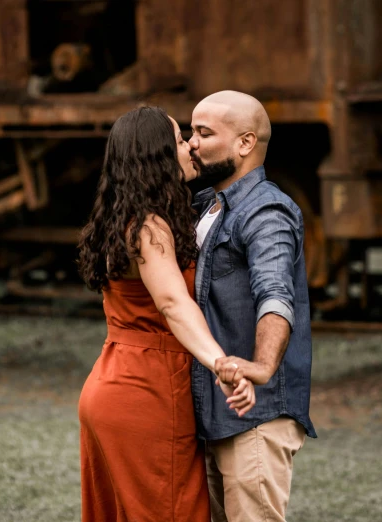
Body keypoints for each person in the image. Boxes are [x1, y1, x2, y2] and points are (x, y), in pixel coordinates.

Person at [76, 106, 257, 522]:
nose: (190, 146)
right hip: (148, 392)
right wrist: (221, 363)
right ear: (157, 156)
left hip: (111, 384)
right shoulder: (149, 227)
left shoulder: (123, 220)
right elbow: (173, 304)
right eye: (179, 140)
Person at [187, 90, 317, 521]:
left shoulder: (266, 211)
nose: (192, 143)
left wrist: (260, 367)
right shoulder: (209, 204)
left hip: (255, 416)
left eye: (204, 133)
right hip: (218, 412)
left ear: (245, 143)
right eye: (191, 132)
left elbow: (275, 293)